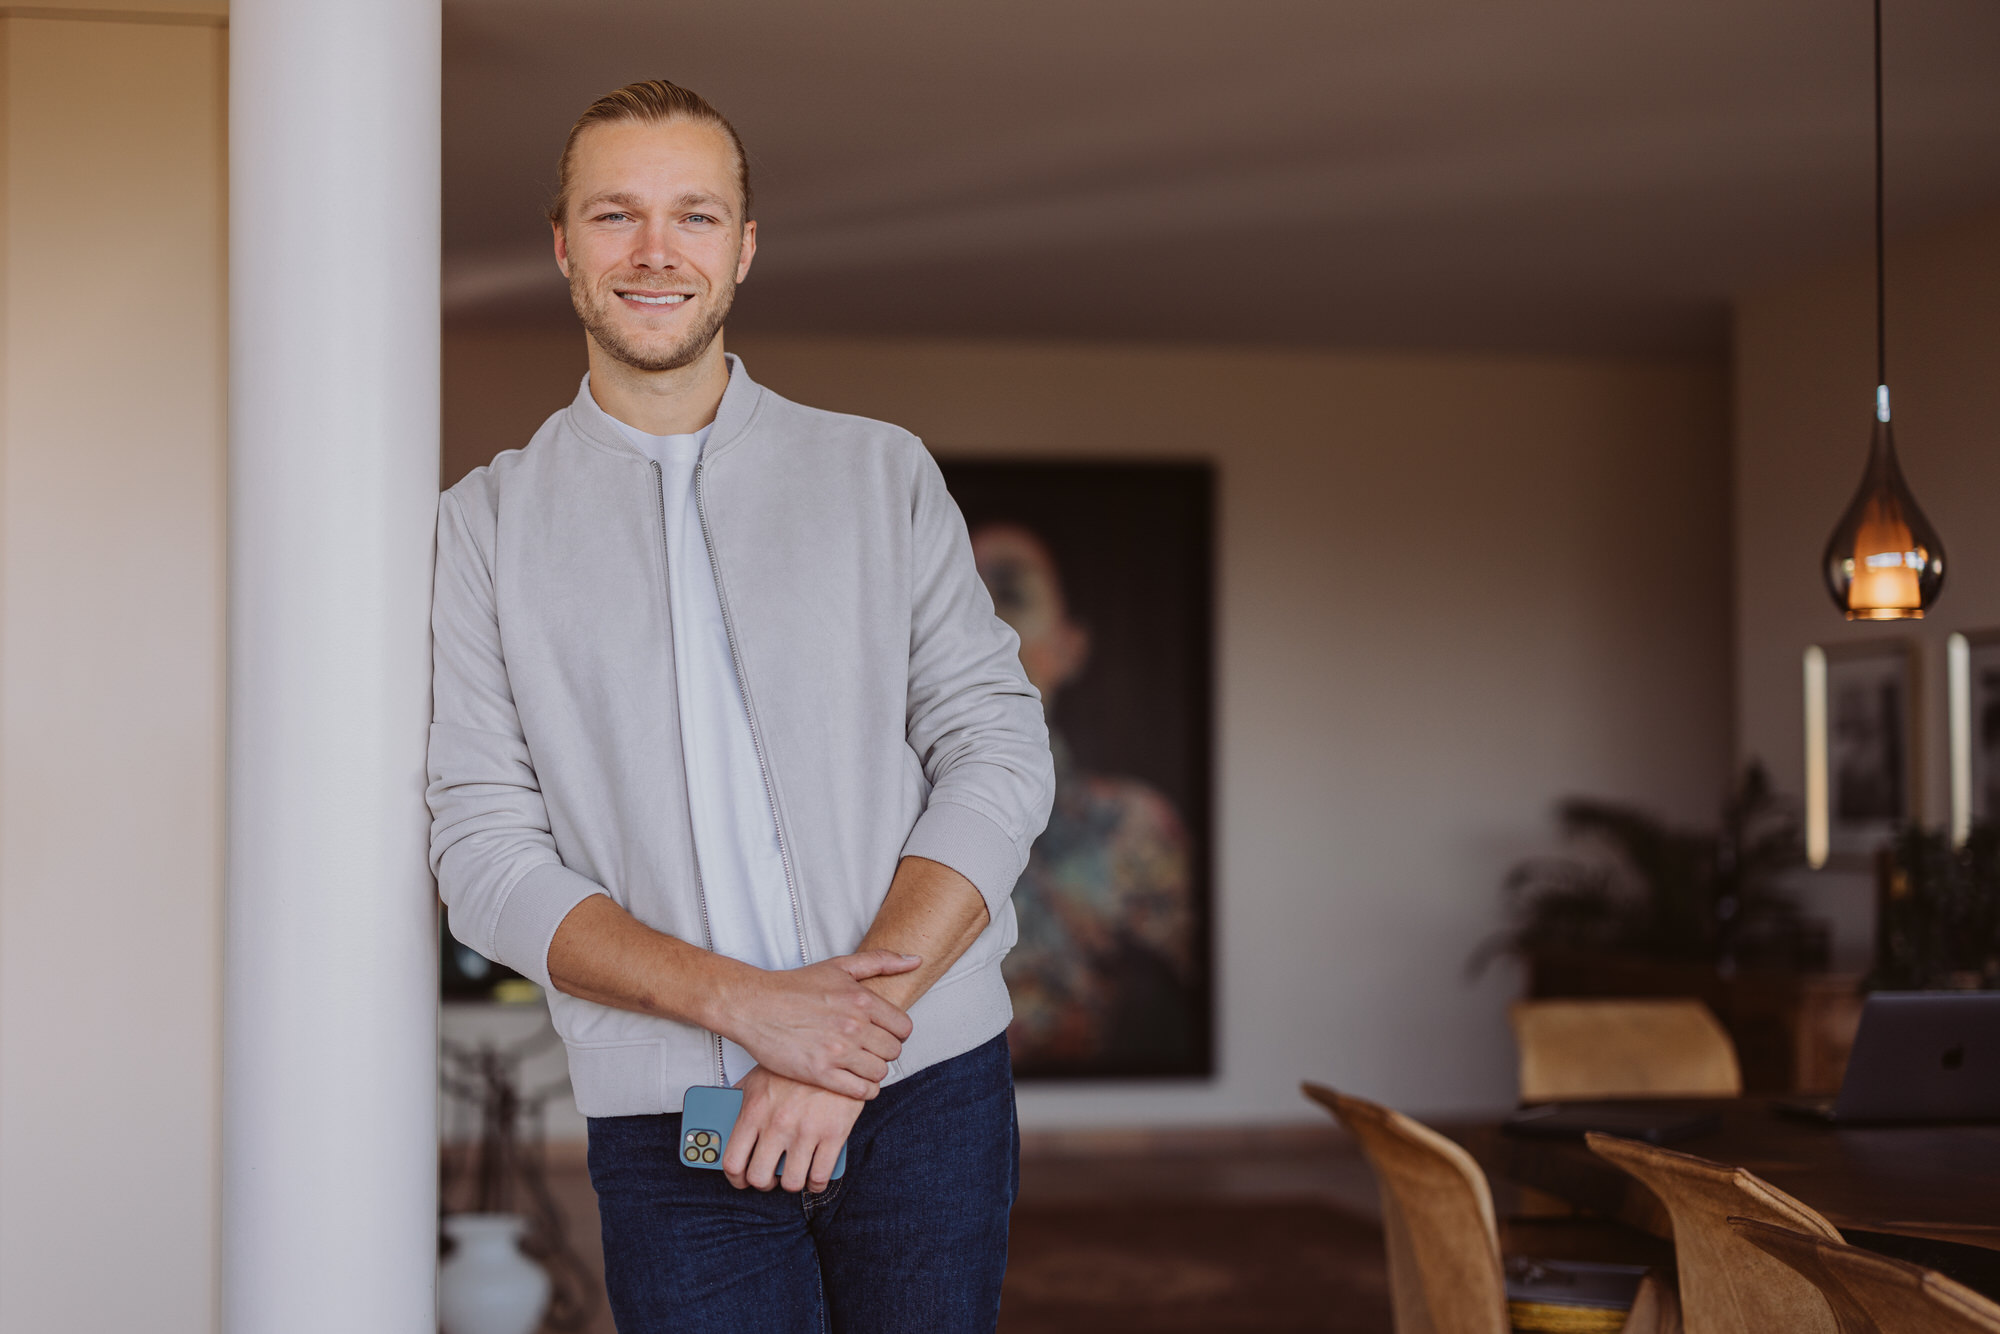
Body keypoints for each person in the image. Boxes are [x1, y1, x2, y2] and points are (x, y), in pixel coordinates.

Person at [426, 80, 1054, 1334]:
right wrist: (748, 1008)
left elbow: (996, 749)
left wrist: (841, 1039)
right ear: (562, 244)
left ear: (743, 247)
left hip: (924, 1091)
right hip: (672, 1125)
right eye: (615, 215)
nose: (655, 251)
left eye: (694, 215)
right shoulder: (482, 526)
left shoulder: (878, 471)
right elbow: (483, 855)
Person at [969, 523, 1198, 1072]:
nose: (983, 626)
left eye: (1011, 597)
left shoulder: (1133, 827)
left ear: (1069, 647)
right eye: (961, 599)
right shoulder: (878, 824)